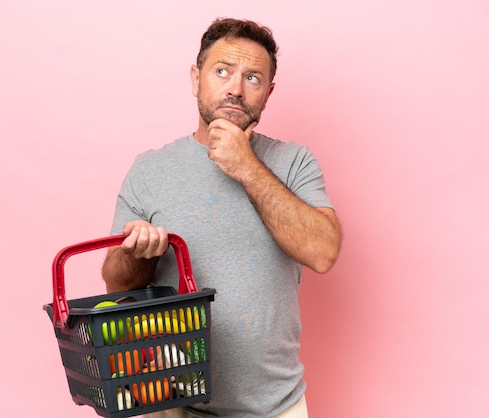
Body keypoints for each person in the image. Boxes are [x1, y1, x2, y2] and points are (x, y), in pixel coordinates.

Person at [102, 17, 342, 418]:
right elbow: (115, 284)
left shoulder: (294, 161)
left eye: (253, 78)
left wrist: (246, 166)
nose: (235, 87)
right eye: (222, 71)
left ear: (268, 93)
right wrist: (137, 252)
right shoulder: (150, 169)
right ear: (196, 78)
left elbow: (323, 252)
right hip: (169, 401)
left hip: (274, 407)